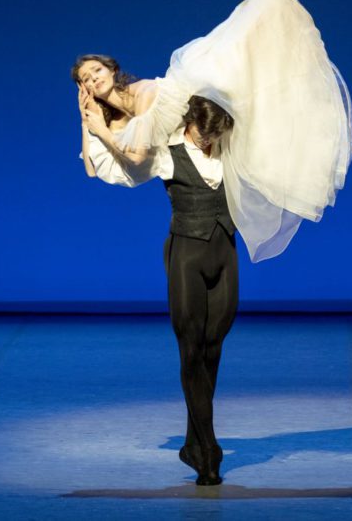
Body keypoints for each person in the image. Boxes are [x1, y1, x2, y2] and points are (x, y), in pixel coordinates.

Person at [73, 0, 352, 262]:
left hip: (200, 85)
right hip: (207, 117)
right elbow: (96, 170)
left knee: (259, 22)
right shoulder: (118, 126)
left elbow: (137, 155)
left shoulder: (139, 98)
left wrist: (101, 129)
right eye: (85, 79)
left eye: (95, 70)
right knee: (262, 21)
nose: (93, 79)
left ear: (111, 69)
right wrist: (86, 121)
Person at [83, 96, 238, 486]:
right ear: (189, 123)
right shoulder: (166, 154)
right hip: (186, 253)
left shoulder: (230, 149)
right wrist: (97, 129)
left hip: (225, 253)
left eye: (215, 135)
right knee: (190, 349)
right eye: (204, 133)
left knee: (213, 348)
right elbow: (124, 168)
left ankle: (192, 442)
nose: (208, 141)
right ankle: (208, 450)